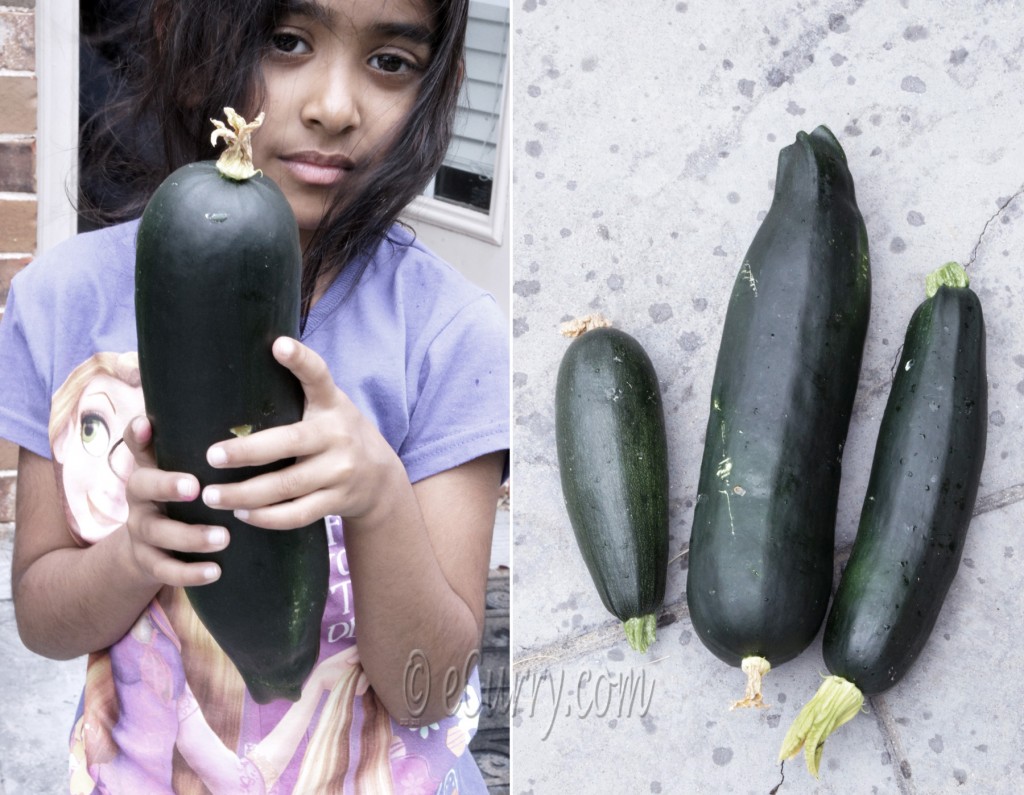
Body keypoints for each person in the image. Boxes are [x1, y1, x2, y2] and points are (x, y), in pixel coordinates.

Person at [0, 0, 509, 792]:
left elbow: (429, 690)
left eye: (390, 62)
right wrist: (132, 555)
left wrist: (378, 498)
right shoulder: (60, 302)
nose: (333, 106)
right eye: (287, 41)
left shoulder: (451, 337)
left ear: (437, 83)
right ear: (188, 33)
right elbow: (40, 617)